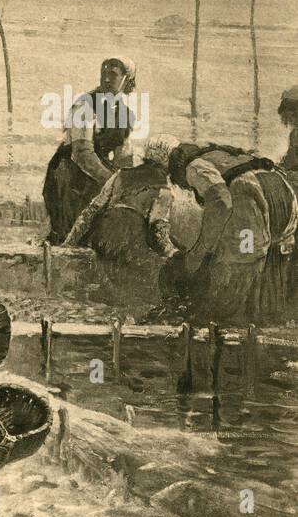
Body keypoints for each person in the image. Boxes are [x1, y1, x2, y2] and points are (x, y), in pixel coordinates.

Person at [167, 142, 298, 325]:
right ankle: (266, 320)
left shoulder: (193, 166)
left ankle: (233, 321)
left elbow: (221, 201)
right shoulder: (222, 154)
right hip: (282, 195)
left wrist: (201, 250)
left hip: (250, 195)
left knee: (243, 263)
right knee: (272, 257)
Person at [63, 135, 179, 296]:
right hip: (129, 240)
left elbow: (91, 211)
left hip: (101, 235)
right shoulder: (165, 190)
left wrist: (69, 242)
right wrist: (173, 252)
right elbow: (158, 230)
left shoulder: (120, 174)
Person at [44, 57, 138, 243]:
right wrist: (111, 181)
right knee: (70, 233)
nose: (106, 78)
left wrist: (127, 182)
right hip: (70, 176)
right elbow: (82, 153)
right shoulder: (85, 105)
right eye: (104, 72)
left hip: (98, 176)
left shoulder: (125, 114)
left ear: (127, 79)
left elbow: (123, 155)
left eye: (113, 74)